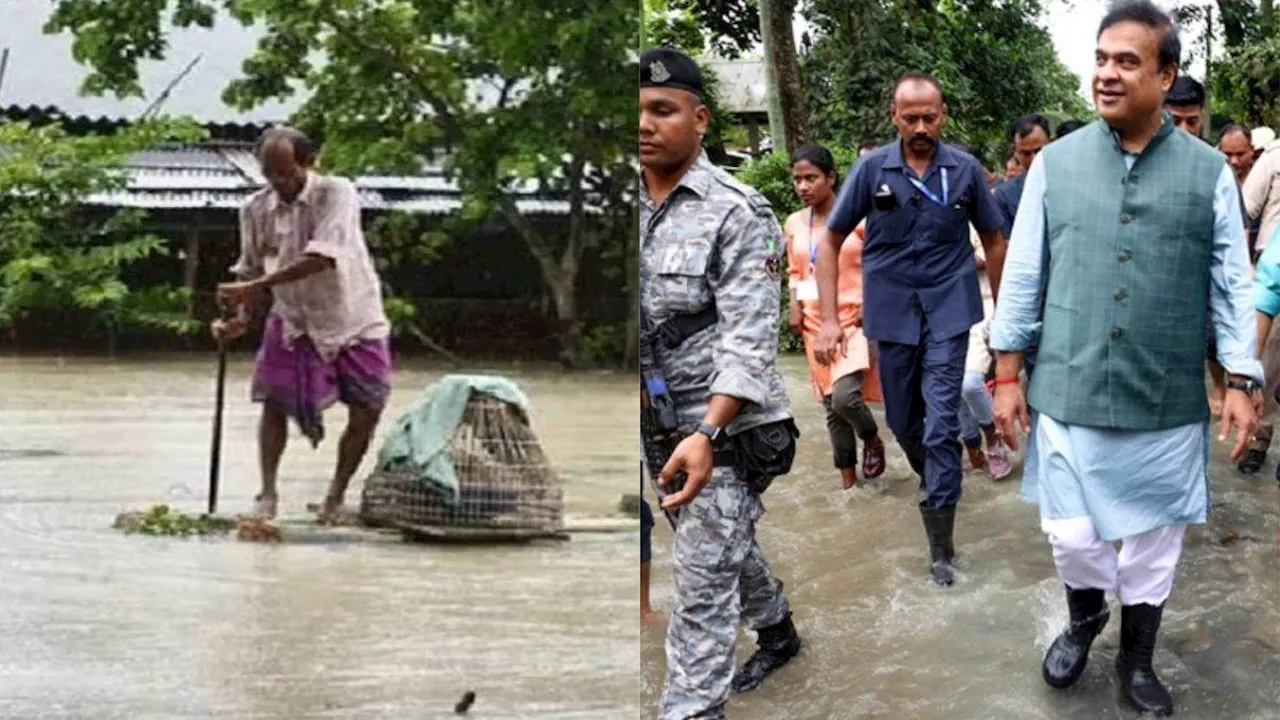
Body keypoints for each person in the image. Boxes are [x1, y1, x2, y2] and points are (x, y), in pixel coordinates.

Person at [988, 3, 1261, 715]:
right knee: (1072, 535)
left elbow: (1233, 283)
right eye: (1101, 59)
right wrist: (1008, 373)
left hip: (1164, 394)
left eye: (1126, 62)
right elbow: (1023, 272)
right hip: (1070, 388)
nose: (1106, 74)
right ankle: (1085, 623)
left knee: (1150, 545)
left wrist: (1239, 377)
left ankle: (1136, 663)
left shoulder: (1208, 175)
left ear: (1165, 76)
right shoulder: (1055, 164)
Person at [639, 48, 801, 719]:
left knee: (699, 592)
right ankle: (780, 630)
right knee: (717, 546)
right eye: (635, 113)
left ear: (700, 119)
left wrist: (707, 431)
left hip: (727, 429)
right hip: (655, 421)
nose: (644, 125)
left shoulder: (738, 211)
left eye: (662, 110)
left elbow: (752, 339)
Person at [811, 72, 1007, 587]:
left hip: (948, 310)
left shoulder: (964, 170)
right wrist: (830, 318)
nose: (920, 126)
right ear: (894, 116)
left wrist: (1005, 312)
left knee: (942, 422)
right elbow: (829, 241)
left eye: (929, 116)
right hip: (892, 315)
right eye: (910, 117)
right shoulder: (872, 169)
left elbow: (994, 237)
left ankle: (940, 547)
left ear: (943, 115)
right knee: (903, 421)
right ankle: (938, 478)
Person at [214, 126, 392, 524]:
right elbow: (251, 266)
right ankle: (267, 494)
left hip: (353, 316)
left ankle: (335, 497)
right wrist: (237, 319)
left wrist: (254, 287)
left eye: (286, 173)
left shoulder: (336, 193)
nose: (279, 183)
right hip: (294, 319)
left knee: (368, 408)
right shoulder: (254, 209)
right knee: (274, 403)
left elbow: (323, 257)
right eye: (269, 174)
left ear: (309, 163)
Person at [785, 144, 887, 490]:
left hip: (853, 319)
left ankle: (872, 438)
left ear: (831, 178)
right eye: (797, 179)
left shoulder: (857, 218)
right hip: (814, 320)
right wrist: (794, 304)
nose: (803, 186)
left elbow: (880, 264)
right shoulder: (793, 223)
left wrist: (872, 304)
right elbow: (795, 270)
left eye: (811, 178)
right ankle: (849, 484)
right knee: (831, 406)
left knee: (845, 397)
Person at [993, 116, 1052, 241]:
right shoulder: (1004, 196)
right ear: (1015, 151)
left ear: (1052, 144)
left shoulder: (1071, 185)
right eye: (1026, 153)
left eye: (1039, 151)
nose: (1034, 159)